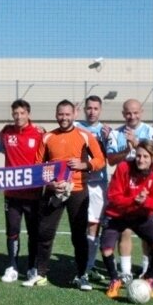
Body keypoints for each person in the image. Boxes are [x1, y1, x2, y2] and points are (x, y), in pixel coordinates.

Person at [30, 100, 104, 289]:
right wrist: (50, 184)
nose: (64, 118)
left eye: (67, 114)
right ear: (56, 115)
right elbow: (38, 166)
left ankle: (82, 275)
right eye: (60, 114)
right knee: (44, 232)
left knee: (79, 235)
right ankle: (41, 274)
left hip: (77, 191)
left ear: (74, 115)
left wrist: (84, 165)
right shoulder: (47, 137)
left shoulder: (84, 136)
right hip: (54, 191)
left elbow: (100, 160)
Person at [99, 141, 153, 299]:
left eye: (145, 156)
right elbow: (113, 197)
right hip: (117, 215)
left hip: (140, 216)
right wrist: (134, 200)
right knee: (106, 249)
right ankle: (115, 280)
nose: (141, 160)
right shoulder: (123, 167)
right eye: (138, 155)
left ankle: (149, 278)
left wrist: (145, 201)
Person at [105, 98, 153, 280]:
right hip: (124, 185)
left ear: (141, 112)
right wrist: (127, 149)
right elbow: (111, 160)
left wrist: (137, 145)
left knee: (146, 231)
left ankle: (145, 269)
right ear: (123, 114)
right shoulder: (116, 133)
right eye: (128, 113)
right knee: (125, 231)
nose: (132, 116)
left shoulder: (150, 131)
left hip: (145, 186)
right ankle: (126, 271)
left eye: (135, 112)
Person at [0, 99, 45, 283]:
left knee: (34, 232)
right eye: (15, 113)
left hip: (33, 194)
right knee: (12, 231)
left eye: (22, 113)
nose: (18, 117)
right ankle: (12, 266)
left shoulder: (39, 133)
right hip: (12, 194)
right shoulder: (6, 133)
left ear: (28, 114)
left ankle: (32, 266)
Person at [74, 94, 112, 285]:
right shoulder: (76, 128)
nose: (92, 112)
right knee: (79, 224)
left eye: (96, 108)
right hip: (79, 182)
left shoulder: (106, 131)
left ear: (100, 110)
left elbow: (110, 157)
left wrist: (107, 141)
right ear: (84, 109)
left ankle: (88, 267)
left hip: (98, 184)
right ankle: (84, 266)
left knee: (94, 225)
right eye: (89, 108)